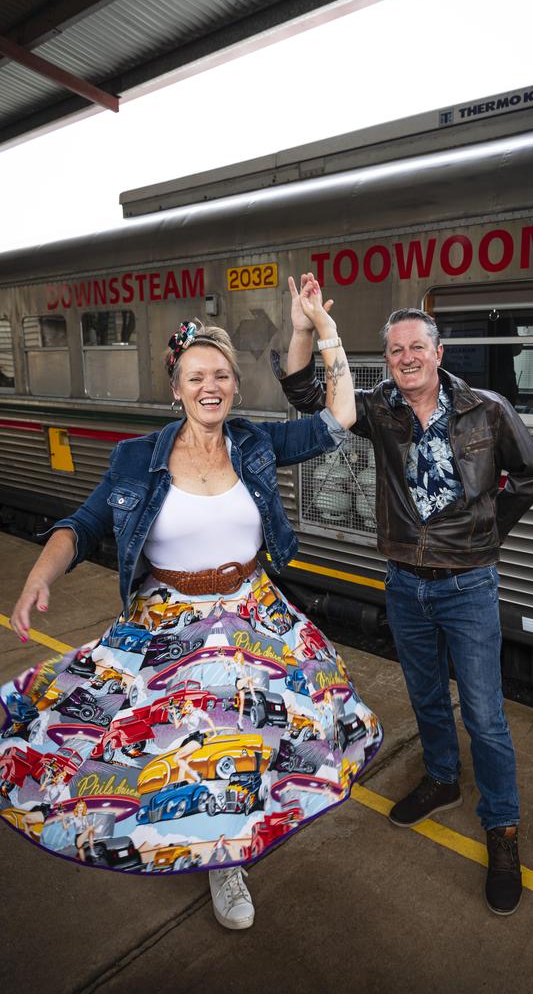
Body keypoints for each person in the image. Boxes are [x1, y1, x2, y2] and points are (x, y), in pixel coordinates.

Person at [3, 274, 382, 931]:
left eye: (222, 377)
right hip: (168, 620)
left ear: (235, 384)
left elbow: (340, 419)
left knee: (256, 740)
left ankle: (224, 854)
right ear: (176, 387)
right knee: (157, 747)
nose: (211, 388)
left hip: (251, 612)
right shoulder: (136, 459)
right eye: (197, 376)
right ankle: (215, 857)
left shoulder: (256, 443)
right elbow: (81, 525)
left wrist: (321, 331)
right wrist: (41, 575)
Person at [277, 301, 533, 916]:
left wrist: (487, 535)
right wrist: (306, 329)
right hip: (405, 582)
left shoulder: (488, 410)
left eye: (415, 348)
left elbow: (530, 475)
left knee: (485, 715)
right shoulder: (378, 410)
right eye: (395, 351)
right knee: (426, 696)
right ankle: (443, 780)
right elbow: (303, 393)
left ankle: (502, 830)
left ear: (438, 352)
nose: (405, 359)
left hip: (469, 584)